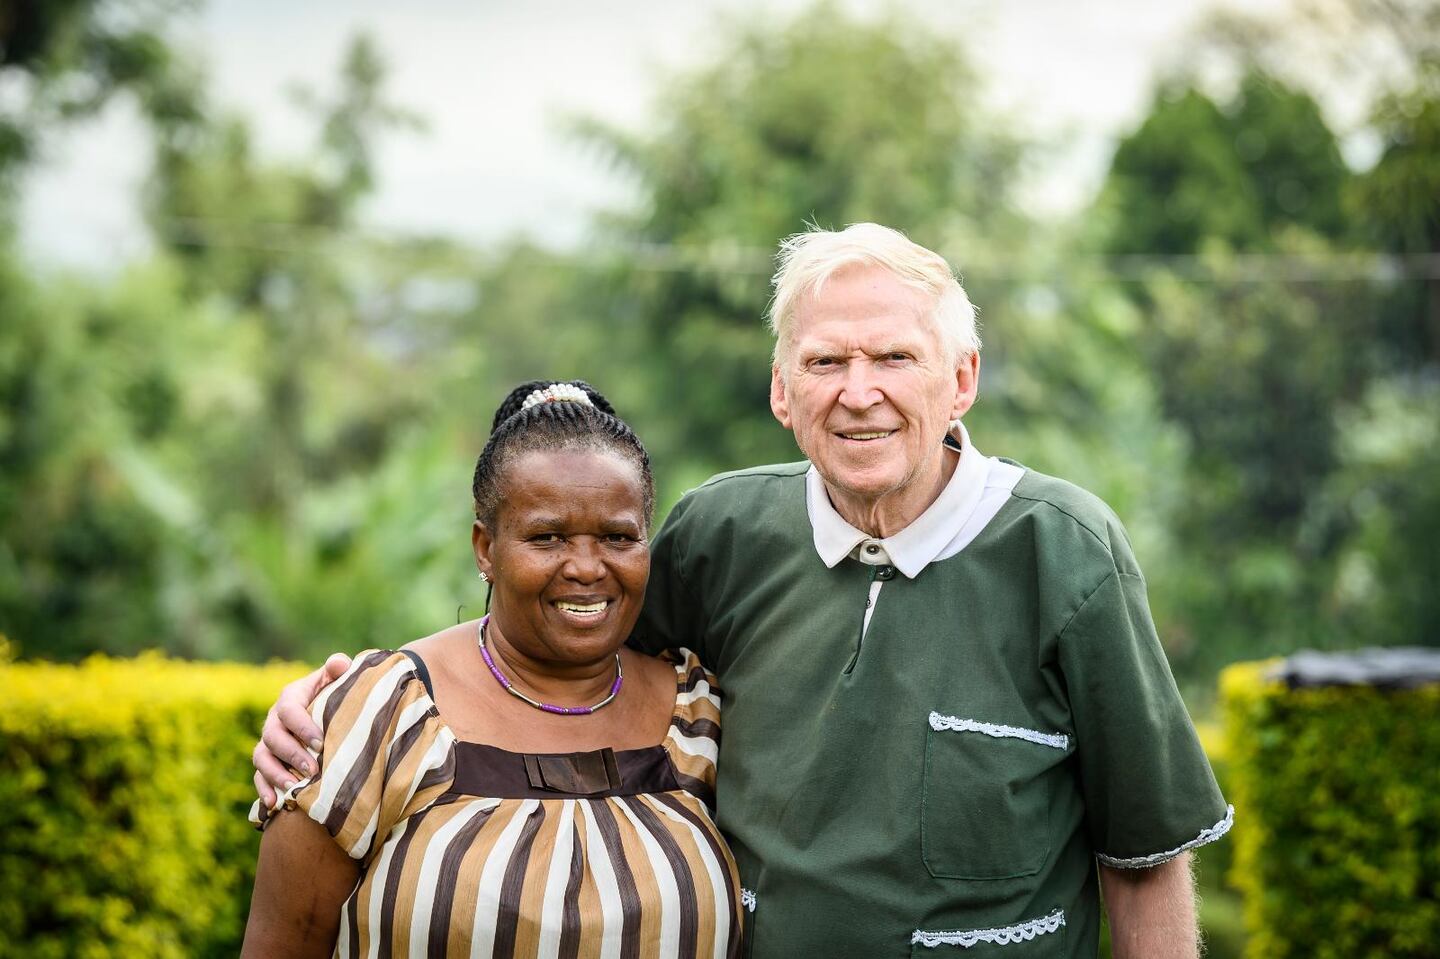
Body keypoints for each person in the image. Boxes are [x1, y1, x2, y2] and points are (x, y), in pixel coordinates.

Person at [255, 224, 1230, 958]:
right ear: (781, 389)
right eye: (825, 361)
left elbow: (1143, 857)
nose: (859, 390)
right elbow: (563, 650)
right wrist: (352, 711)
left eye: (894, 356)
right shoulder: (725, 536)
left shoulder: (1065, 552)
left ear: (963, 377)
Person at [242, 381, 744, 958]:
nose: (586, 566)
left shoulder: (699, 715)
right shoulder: (382, 714)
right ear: (486, 548)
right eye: (547, 536)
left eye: (617, 537)